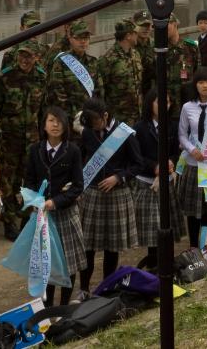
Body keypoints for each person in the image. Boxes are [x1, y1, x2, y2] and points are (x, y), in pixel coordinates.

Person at [77, 96, 141, 296]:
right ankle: (84, 289)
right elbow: (80, 158)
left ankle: (105, 288)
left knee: (111, 246)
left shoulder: (124, 134)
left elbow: (138, 165)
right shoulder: (88, 132)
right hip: (93, 194)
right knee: (88, 245)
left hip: (117, 194)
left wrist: (119, 177)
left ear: (105, 116)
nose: (94, 127)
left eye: (96, 122)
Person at [22, 106, 85, 306]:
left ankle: (64, 305)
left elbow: (78, 186)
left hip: (65, 213)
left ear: (66, 125)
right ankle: (47, 307)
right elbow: (29, 181)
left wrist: (56, 202)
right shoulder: (35, 150)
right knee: (46, 262)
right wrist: (35, 201)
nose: (55, 125)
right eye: (51, 121)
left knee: (69, 262)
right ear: (44, 125)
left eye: (59, 121)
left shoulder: (73, 150)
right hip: (43, 216)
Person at [0, 39, 47, 241]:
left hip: (32, 140)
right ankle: (10, 223)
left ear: (37, 57)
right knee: (8, 183)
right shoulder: (3, 79)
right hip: (9, 141)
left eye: (29, 56)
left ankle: (26, 218)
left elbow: (43, 111)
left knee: (31, 181)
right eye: (22, 55)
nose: (25, 59)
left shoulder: (41, 78)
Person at [132, 87, 185, 270]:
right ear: (150, 104)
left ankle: (168, 268)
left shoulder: (172, 125)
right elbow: (136, 156)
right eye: (159, 102)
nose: (164, 105)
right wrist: (154, 166)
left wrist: (171, 161)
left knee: (168, 227)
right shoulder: (139, 127)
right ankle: (153, 269)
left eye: (168, 102)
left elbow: (177, 151)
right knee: (152, 232)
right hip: (147, 183)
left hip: (167, 182)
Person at [176, 67, 207, 248]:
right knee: (194, 211)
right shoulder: (188, 107)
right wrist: (192, 149)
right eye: (201, 82)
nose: (205, 86)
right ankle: (194, 249)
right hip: (194, 164)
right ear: (195, 85)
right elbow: (182, 134)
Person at [43, 20, 97, 128]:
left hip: (91, 119)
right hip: (69, 121)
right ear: (70, 38)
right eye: (78, 38)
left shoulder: (93, 62)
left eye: (86, 38)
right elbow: (57, 94)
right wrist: (76, 116)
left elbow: (99, 91)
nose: (83, 42)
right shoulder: (61, 62)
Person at [95, 20, 142, 125]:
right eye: (135, 33)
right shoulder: (108, 59)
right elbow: (101, 90)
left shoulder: (136, 54)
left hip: (137, 115)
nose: (137, 36)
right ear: (128, 36)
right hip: (118, 118)